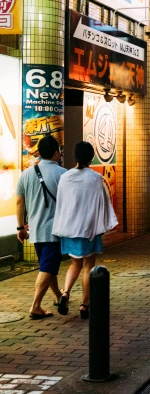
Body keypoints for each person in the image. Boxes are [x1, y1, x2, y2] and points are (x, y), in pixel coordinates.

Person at [52, 142, 118, 319]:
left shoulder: (65, 177)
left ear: (74, 156)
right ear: (91, 157)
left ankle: (65, 293)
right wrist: (105, 224)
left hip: (70, 227)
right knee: (88, 266)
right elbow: (103, 202)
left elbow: (61, 203)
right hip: (89, 228)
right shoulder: (95, 178)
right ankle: (84, 305)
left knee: (74, 263)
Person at [15, 136, 66, 319]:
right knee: (47, 267)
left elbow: (19, 202)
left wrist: (20, 227)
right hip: (54, 230)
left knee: (48, 266)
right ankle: (35, 306)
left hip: (35, 230)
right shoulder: (63, 174)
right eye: (59, 150)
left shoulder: (26, 174)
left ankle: (58, 296)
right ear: (55, 153)